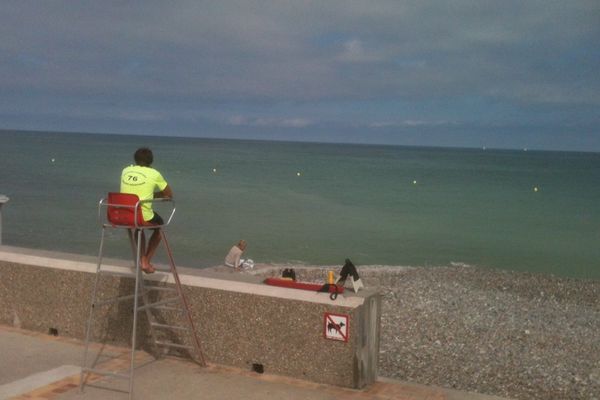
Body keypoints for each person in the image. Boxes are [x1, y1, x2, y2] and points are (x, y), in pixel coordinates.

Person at [120, 147, 173, 273]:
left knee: (138, 228)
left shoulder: (125, 170)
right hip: (141, 216)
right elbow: (169, 194)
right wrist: (155, 195)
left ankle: (143, 260)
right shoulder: (154, 173)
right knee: (159, 229)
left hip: (123, 215)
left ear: (135, 159)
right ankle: (146, 261)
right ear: (151, 161)